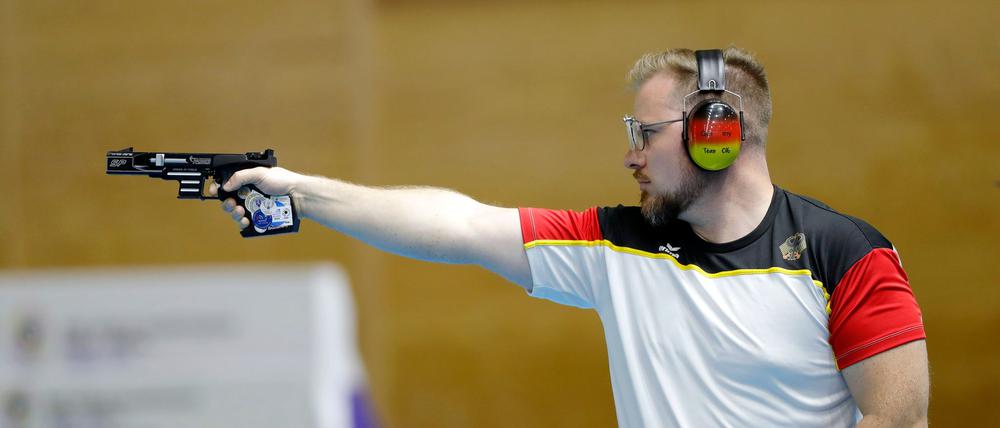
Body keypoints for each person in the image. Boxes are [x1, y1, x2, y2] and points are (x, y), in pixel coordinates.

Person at [209, 47, 928, 427]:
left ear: (717, 135)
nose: (630, 157)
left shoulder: (846, 255)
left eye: (646, 136)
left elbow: (896, 420)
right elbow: (459, 223)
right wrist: (304, 193)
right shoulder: (616, 245)